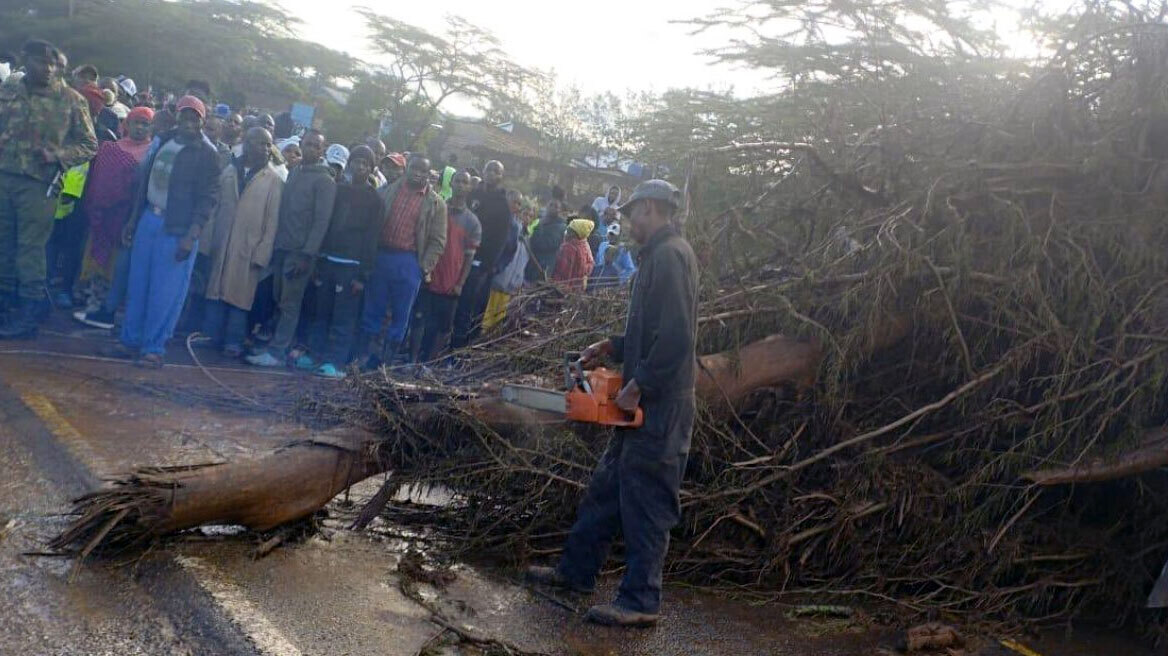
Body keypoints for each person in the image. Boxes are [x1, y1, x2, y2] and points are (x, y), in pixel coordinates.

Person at [525, 180, 699, 627]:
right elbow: (652, 331)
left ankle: (641, 601)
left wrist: (640, 384)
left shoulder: (671, 256)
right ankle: (575, 572)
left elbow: (678, 337)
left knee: (648, 501)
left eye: (633, 212)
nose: (626, 220)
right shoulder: (655, 256)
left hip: (660, 407)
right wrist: (613, 346)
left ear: (653, 209)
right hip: (641, 400)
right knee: (605, 490)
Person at [0, 40, 98, 339]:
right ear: (26, 61)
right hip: (4, 176)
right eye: (42, 61)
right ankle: (5, 305)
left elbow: (89, 145)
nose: (49, 68)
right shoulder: (8, 92)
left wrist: (58, 155)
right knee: (3, 245)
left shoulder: (70, 99)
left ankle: (30, 313)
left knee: (30, 250)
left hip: (38, 183)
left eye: (53, 64)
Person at [114, 95, 221, 366]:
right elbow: (144, 182)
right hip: (149, 219)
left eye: (194, 116)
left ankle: (154, 348)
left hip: (178, 229)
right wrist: (132, 221)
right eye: (184, 114)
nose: (188, 121)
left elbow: (208, 199)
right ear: (176, 115)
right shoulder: (162, 140)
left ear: (202, 120)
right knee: (138, 285)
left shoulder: (208, 154)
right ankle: (130, 341)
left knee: (166, 293)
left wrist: (191, 236)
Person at [246, 129, 336, 367]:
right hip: (282, 247)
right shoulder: (295, 172)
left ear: (321, 151)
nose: (309, 149)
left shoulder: (325, 181)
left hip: (300, 253)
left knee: (290, 303)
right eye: (306, 144)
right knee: (278, 298)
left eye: (315, 146)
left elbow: (321, 222)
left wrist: (308, 255)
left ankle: (277, 352)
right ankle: (273, 344)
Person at [352, 154, 446, 367]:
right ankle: (366, 357)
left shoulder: (436, 204)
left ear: (429, 175)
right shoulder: (389, 190)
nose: (417, 173)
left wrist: (423, 268)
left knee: (400, 314)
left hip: (409, 261)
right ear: (407, 169)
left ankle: (386, 362)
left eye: (423, 170)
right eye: (414, 168)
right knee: (373, 308)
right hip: (382, 256)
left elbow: (438, 241)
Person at [200, 127, 282, 358]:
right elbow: (215, 208)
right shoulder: (229, 170)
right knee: (215, 291)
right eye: (260, 143)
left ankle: (233, 341)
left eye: (268, 145)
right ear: (246, 144)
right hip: (222, 242)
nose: (266, 149)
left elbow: (272, 222)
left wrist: (262, 253)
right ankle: (210, 336)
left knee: (240, 299)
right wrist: (207, 242)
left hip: (249, 248)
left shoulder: (274, 181)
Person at [73, 106, 154, 329]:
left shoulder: (152, 153)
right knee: (96, 259)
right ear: (126, 124)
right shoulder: (111, 148)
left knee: (118, 265)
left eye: (145, 124)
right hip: (102, 217)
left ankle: (109, 309)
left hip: (127, 220)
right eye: (136, 122)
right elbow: (98, 181)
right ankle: (93, 304)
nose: (139, 128)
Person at [307, 145, 383, 378]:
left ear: (371, 168)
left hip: (352, 267)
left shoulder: (375, 200)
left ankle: (336, 362)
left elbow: (373, 238)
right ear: (349, 164)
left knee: (344, 318)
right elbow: (327, 224)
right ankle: (313, 355)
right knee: (321, 313)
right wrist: (319, 260)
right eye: (356, 161)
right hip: (328, 260)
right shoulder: (338, 190)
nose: (360, 167)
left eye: (365, 164)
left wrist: (363, 275)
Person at [409, 170, 478, 363]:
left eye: (465, 182)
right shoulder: (437, 208)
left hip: (450, 281)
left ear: (470, 187)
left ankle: (429, 363)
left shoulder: (473, 222)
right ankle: (411, 361)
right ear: (451, 183)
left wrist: (460, 284)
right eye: (457, 181)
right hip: (428, 275)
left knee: (443, 327)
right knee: (419, 319)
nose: (461, 185)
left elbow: (469, 258)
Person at [451, 159, 511, 348]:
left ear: (501, 176)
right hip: (458, 256)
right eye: (489, 169)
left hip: (481, 264)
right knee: (451, 303)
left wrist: (488, 265)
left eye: (496, 171)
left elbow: (502, 239)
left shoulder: (503, 205)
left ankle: (460, 348)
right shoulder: (472, 194)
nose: (492, 173)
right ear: (483, 172)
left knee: (470, 308)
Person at [526, 199, 566, 282]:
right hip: (531, 262)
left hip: (543, 266)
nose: (552, 208)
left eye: (556, 206)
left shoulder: (560, 227)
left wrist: (539, 227)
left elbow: (543, 244)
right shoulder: (541, 221)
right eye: (550, 205)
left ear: (560, 210)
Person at [552, 218, 595, 293]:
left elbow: (562, 272)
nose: (566, 232)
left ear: (576, 234)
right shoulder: (585, 244)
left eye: (569, 231)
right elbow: (590, 265)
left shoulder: (568, 247)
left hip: (564, 290)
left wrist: (557, 285)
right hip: (579, 290)